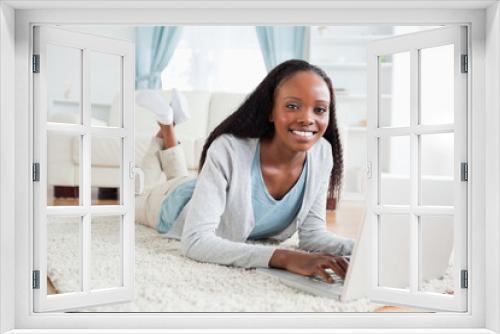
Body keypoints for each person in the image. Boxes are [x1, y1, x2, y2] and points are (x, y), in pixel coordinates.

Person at [135, 59, 353, 284]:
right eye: (292, 106)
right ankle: (166, 125)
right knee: (136, 196)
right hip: (172, 204)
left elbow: (313, 235)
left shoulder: (322, 153)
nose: (307, 118)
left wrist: (362, 249)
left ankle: (168, 124)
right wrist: (285, 257)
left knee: (179, 177)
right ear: (271, 110)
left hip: (203, 188)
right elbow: (195, 241)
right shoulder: (228, 148)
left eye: (319, 109)